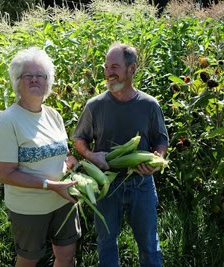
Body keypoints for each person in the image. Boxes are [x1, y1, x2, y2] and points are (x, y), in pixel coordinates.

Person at [73, 43, 169, 267]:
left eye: (114, 66)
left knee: (149, 244)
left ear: (132, 69)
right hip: (106, 184)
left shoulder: (149, 105)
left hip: (142, 183)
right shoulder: (94, 106)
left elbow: (161, 139)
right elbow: (79, 140)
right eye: (106, 67)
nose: (108, 73)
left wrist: (156, 160)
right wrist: (92, 156)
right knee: (106, 242)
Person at [0, 47, 81, 267]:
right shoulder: (7, 121)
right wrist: (51, 185)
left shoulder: (53, 115)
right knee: (30, 260)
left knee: (66, 255)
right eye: (28, 76)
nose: (35, 80)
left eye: (41, 75)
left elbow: (63, 153)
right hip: (29, 208)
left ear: (48, 82)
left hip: (63, 201)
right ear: (17, 82)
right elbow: (5, 174)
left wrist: (75, 166)